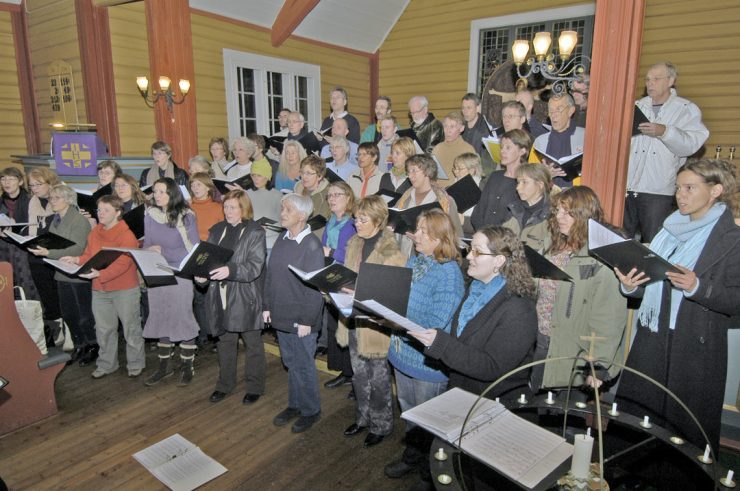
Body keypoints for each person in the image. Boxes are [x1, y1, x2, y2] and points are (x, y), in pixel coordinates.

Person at [616, 158, 739, 453]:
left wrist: (699, 287)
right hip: (653, 337)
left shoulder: (732, 239)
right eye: (677, 188)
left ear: (715, 190)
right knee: (639, 420)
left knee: (683, 434)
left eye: (689, 188)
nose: (680, 195)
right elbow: (648, 282)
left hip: (695, 345)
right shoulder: (668, 229)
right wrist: (631, 285)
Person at [407, 226, 538, 486]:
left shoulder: (518, 308)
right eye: (470, 249)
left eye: (478, 252)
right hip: (464, 396)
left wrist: (441, 344)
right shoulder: (475, 290)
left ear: (499, 261)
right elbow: (464, 341)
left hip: (494, 407)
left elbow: (492, 366)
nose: (469, 256)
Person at [384, 209, 465, 480]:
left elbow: (437, 324)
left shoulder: (449, 274)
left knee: (430, 421)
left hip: (425, 361)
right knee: (409, 411)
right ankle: (413, 456)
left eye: (421, 232)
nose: (414, 235)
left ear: (439, 238)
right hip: (402, 352)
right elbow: (398, 296)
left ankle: (431, 470)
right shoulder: (416, 261)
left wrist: (399, 321)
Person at [531, 186, 626, 395]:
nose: (559, 217)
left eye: (568, 212)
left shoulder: (602, 256)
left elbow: (608, 316)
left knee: (561, 419)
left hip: (572, 349)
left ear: (584, 214)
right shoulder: (551, 246)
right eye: (557, 210)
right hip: (540, 341)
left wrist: (598, 364)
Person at [336, 195, 407, 448]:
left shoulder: (391, 251)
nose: (356, 223)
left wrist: (359, 292)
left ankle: (381, 425)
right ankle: (363, 418)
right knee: (358, 375)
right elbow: (346, 276)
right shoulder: (355, 242)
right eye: (356, 218)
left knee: (378, 379)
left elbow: (392, 294)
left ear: (377, 221)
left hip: (376, 325)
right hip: (353, 318)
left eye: (362, 219)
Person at [60, 195, 144, 378]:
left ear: (118, 212)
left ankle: (136, 363)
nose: (100, 214)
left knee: (131, 329)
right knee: (104, 329)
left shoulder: (127, 235)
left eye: (106, 210)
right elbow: (89, 255)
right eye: (99, 210)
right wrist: (75, 259)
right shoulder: (95, 232)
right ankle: (107, 364)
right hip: (99, 289)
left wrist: (101, 274)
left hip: (124, 289)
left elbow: (124, 263)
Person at [625, 62, 709, 243]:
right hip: (626, 188)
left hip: (657, 191)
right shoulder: (635, 106)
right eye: (647, 79)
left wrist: (665, 132)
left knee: (653, 244)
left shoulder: (685, 109)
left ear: (671, 80)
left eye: (656, 79)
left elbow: (691, 145)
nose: (650, 83)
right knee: (618, 240)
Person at [196, 190, 267, 405]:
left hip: (245, 295)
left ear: (243, 208)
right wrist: (202, 277)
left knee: (252, 344)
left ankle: (255, 386)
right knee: (225, 342)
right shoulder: (217, 230)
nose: (228, 211)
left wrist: (231, 270)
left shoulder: (255, 231)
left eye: (233, 207)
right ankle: (225, 384)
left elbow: (255, 267)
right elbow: (208, 260)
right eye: (225, 207)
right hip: (220, 294)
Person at [263, 193, 325, 433]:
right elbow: (271, 275)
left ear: (302, 215)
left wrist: (307, 320)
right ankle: (295, 404)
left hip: (302, 319)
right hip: (281, 312)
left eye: (287, 209)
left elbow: (315, 288)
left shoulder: (311, 245)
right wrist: (266, 306)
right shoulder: (282, 239)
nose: (282, 213)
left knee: (304, 364)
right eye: (282, 209)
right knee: (290, 362)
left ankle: (310, 410)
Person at [142, 178, 200, 387]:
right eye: (155, 191)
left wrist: (163, 251)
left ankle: (187, 366)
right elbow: (148, 242)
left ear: (172, 194)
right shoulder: (150, 214)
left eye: (162, 192)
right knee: (160, 315)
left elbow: (193, 249)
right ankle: (164, 367)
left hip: (180, 273)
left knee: (182, 317)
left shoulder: (187, 216)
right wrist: (147, 250)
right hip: (157, 271)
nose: (156, 195)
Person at [28, 184, 96, 364]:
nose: (52, 201)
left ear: (68, 200)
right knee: (69, 314)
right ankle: (79, 344)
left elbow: (79, 248)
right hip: (60, 272)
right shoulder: (56, 219)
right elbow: (54, 241)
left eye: (56, 198)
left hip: (76, 274)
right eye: (51, 198)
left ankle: (91, 344)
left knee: (84, 314)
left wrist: (48, 253)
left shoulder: (78, 220)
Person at [321, 181, 356, 391]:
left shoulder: (353, 223)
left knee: (349, 329)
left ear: (348, 198)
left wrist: (332, 253)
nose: (332, 199)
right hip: (331, 276)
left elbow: (355, 254)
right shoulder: (330, 220)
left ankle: (355, 377)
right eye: (330, 195)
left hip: (346, 278)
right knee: (335, 325)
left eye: (337, 195)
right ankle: (345, 372)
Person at [395, 154, 463, 257]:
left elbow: (455, 236)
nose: (410, 176)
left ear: (427, 172)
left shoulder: (445, 201)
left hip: (431, 260)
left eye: (414, 171)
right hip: (402, 258)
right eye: (408, 172)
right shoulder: (404, 199)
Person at [26, 168, 64, 345]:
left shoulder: (61, 198)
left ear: (49, 182)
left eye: (38, 184)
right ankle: (54, 327)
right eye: (31, 185)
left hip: (57, 254)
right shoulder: (33, 201)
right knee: (46, 294)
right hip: (36, 254)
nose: (34, 188)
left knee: (60, 292)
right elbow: (30, 227)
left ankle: (67, 327)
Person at [189, 172, 225, 348]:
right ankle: (203, 333)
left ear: (208, 188)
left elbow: (221, 233)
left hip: (210, 253)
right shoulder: (187, 207)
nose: (195, 188)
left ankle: (215, 333)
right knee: (197, 298)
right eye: (193, 185)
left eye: (199, 185)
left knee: (212, 297)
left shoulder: (218, 207)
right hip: (192, 254)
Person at [471, 129, 531, 230]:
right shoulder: (495, 176)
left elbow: (519, 218)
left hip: (506, 237)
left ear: (522, 151)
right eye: (502, 147)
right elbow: (479, 211)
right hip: (484, 235)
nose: (502, 151)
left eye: (508, 148)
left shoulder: (527, 181)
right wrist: (482, 233)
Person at [0, 167, 38, 300]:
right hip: (3, 246)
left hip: (23, 245)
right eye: (3, 179)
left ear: (21, 182)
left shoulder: (30, 200)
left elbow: (36, 224)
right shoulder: (1, 201)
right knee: (6, 279)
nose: (6, 182)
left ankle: (29, 309)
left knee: (25, 279)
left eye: (11, 179)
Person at [533, 93, 585, 188]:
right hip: (548, 196)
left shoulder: (585, 137)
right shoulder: (539, 142)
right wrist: (546, 175)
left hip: (577, 195)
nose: (554, 115)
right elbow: (531, 178)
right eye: (551, 111)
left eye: (559, 109)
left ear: (571, 111)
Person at [502, 163, 553, 252]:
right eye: (518, 182)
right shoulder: (512, 209)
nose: (518, 187)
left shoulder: (553, 216)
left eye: (524, 182)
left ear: (540, 184)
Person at [245, 159, 283, 254]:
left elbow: (282, 220)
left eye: (259, 175)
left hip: (271, 242)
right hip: (252, 242)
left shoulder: (277, 195)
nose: (255, 179)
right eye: (253, 175)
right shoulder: (246, 194)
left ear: (267, 177)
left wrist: (268, 227)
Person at [432, 111, 476, 185]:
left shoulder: (468, 150)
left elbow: (472, 178)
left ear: (461, 128)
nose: (448, 131)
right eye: (445, 126)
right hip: (436, 190)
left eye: (452, 127)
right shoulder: (437, 148)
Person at [294, 154, 330, 236]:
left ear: (320, 176)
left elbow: (320, 225)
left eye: (309, 173)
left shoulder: (328, 195)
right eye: (302, 172)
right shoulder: (297, 191)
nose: (304, 177)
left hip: (315, 237)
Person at [451, 152, 485, 235]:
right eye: (455, 168)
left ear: (472, 170)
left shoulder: (482, 188)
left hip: (471, 233)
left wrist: (463, 221)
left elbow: (483, 219)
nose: (455, 172)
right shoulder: (451, 187)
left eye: (459, 169)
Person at [460, 93, 494, 176]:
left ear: (478, 108)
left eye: (469, 108)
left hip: (479, 171)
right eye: (463, 108)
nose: (465, 111)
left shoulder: (487, 129)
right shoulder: (460, 127)